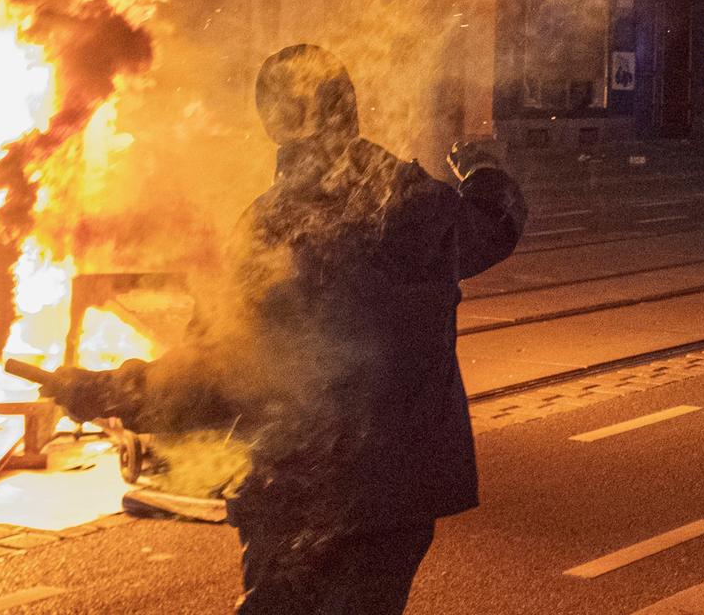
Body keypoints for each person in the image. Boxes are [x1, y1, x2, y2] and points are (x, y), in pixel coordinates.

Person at [42, 45, 526, 614]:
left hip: (297, 489)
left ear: (273, 124)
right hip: (393, 497)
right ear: (350, 109)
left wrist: (109, 392)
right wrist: (484, 171)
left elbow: (213, 368)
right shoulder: (416, 203)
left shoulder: (269, 228)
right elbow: (494, 227)